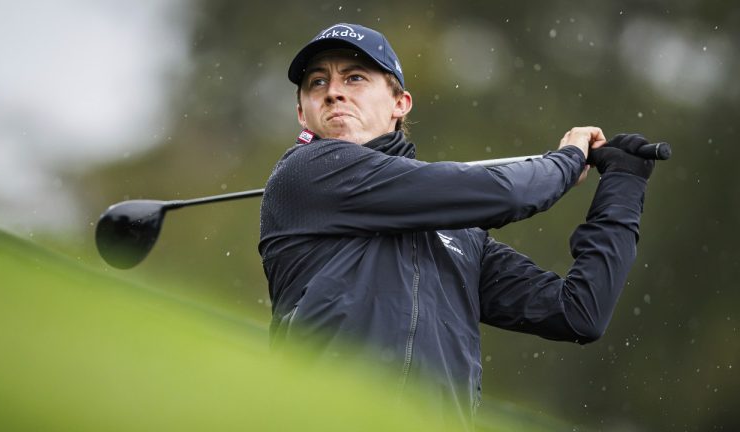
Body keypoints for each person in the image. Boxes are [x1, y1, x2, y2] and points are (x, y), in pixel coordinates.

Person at [258, 23, 654, 427]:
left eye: (355, 77)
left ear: (400, 103)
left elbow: (580, 312)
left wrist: (624, 184)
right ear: (302, 112)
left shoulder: (461, 237)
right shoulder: (306, 173)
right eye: (317, 82)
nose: (333, 91)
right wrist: (568, 159)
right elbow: (508, 195)